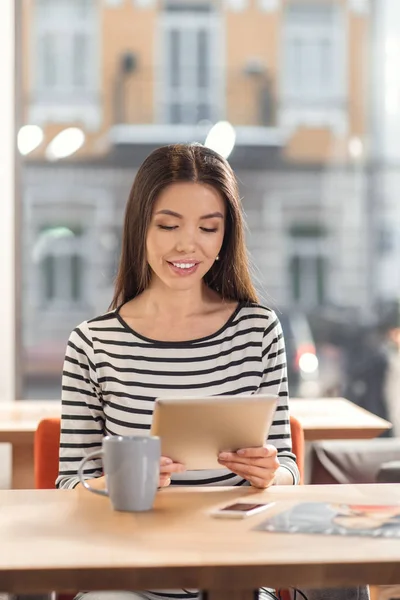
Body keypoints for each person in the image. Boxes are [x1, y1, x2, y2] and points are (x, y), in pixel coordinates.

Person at [57, 143, 368, 600]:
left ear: (227, 236)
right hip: (130, 574)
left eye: (208, 227)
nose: (188, 244)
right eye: (168, 225)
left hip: (235, 570)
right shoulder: (92, 343)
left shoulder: (258, 330)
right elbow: (67, 487)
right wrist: (119, 483)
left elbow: (286, 467)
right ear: (139, 227)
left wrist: (269, 472)